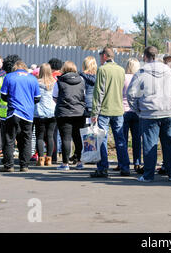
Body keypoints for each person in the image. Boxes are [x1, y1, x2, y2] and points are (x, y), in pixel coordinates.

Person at [127, 46, 171, 182]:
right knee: (170, 143)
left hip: (149, 112)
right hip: (168, 111)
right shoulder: (169, 71)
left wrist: (138, 109)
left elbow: (131, 94)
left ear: (145, 57)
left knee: (150, 144)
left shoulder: (141, 72)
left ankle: (148, 175)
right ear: (157, 56)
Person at [90, 47, 128, 178]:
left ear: (105, 56)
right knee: (121, 139)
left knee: (102, 139)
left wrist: (94, 113)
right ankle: (125, 167)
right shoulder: (121, 70)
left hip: (105, 110)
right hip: (118, 109)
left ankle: (103, 168)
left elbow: (99, 92)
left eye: (101, 57)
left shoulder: (102, 70)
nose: (100, 59)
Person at [0, 60, 41, 172]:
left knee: (9, 139)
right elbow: (37, 98)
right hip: (28, 114)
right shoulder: (33, 78)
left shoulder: (9, 77)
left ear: (15, 68)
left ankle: (9, 165)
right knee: (26, 140)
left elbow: (3, 95)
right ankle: (24, 166)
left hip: (13, 112)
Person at [53, 61, 86, 171]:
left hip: (64, 113)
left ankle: (65, 163)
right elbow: (83, 95)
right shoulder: (82, 80)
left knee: (65, 139)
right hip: (79, 112)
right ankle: (80, 162)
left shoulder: (59, 81)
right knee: (78, 138)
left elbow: (55, 97)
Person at [0, 55, 20, 160]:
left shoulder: (1, 80)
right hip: (20, 112)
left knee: (7, 138)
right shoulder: (22, 78)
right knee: (20, 137)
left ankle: (7, 160)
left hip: (5, 113)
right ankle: (22, 162)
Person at [34, 63, 57, 167]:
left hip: (39, 113)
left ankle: (41, 160)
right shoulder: (55, 83)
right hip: (52, 112)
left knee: (39, 136)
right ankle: (49, 158)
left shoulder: (36, 83)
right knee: (50, 136)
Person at [122, 58, 142, 173]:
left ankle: (124, 162)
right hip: (136, 111)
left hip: (124, 110)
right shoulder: (139, 79)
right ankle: (137, 162)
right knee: (136, 139)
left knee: (123, 139)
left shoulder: (123, 78)